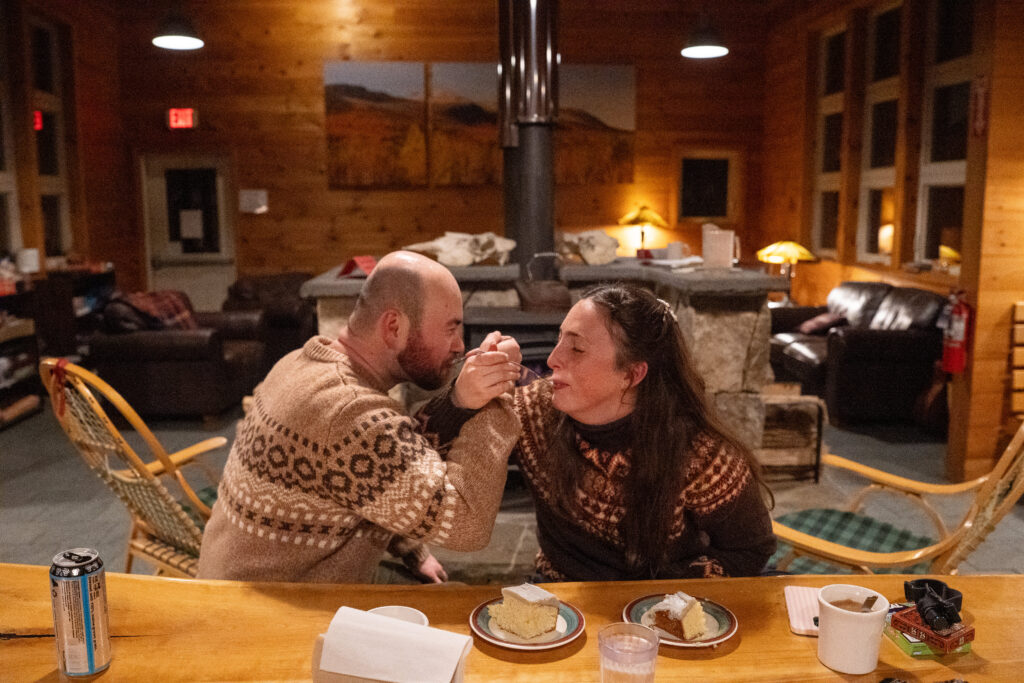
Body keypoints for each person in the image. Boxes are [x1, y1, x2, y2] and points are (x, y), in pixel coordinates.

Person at [198, 251, 523, 583]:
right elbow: (467, 523)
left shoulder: (300, 360)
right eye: (450, 329)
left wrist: (459, 402)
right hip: (268, 608)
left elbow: (372, 472)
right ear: (394, 327)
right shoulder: (349, 413)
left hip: (235, 582)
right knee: (462, 602)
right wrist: (498, 392)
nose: (459, 346)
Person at [512, 283, 776, 581]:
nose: (552, 359)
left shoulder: (700, 454)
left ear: (631, 374)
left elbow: (751, 550)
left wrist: (664, 590)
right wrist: (471, 395)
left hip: (660, 598)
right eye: (559, 340)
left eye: (577, 348)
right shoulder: (534, 409)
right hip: (558, 591)